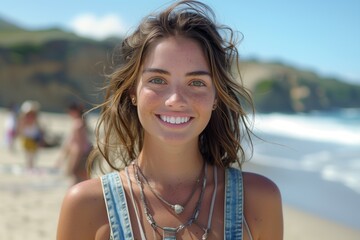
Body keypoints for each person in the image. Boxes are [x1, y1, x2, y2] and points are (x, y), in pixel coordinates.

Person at [57, 1, 283, 239]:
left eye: (196, 83)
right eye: (157, 80)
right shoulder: (86, 205)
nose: (176, 99)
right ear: (133, 92)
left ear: (216, 97)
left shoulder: (258, 200)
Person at [56, 103, 93, 184]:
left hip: (82, 154)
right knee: (82, 176)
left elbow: (79, 146)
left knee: (77, 176)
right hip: (84, 153)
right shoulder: (81, 122)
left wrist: (73, 163)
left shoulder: (78, 124)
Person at [17, 100, 44, 171]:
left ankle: (31, 166)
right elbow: (21, 127)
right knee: (28, 153)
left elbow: (39, 127)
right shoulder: (24, 118)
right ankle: (29, 166)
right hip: (27, 137)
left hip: (33, 137)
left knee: (32, 153)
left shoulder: (34, 118)